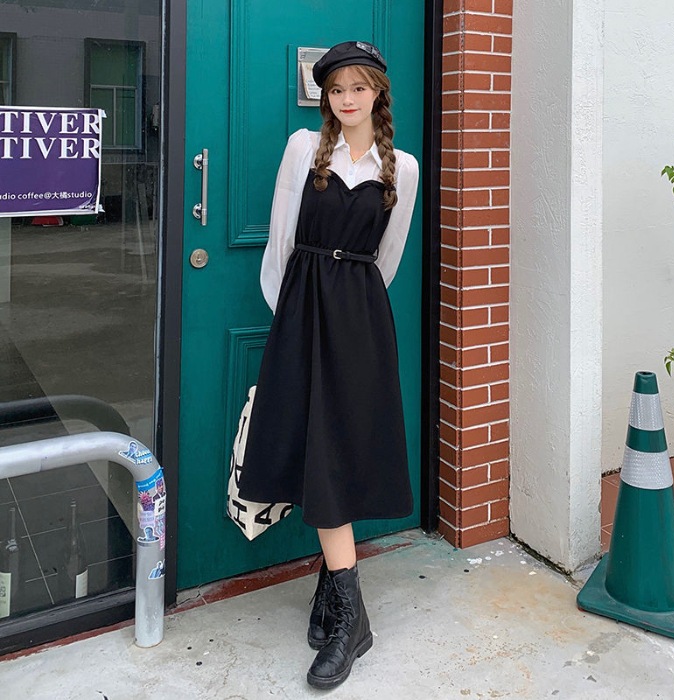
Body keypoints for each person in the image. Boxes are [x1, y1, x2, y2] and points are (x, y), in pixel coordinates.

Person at [238, 40, 419, 689]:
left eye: (358, 87)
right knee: (310, 442)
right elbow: (281, 239)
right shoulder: (302, 148)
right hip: (303, 309)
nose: (347, 99)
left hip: (360, 320)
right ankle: (344, 607)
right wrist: (294, 313)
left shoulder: (403, 167)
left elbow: (387, 258)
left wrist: (349, 305)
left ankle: (347, 616)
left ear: (378, 93)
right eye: (336, 88)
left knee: (341, 446)